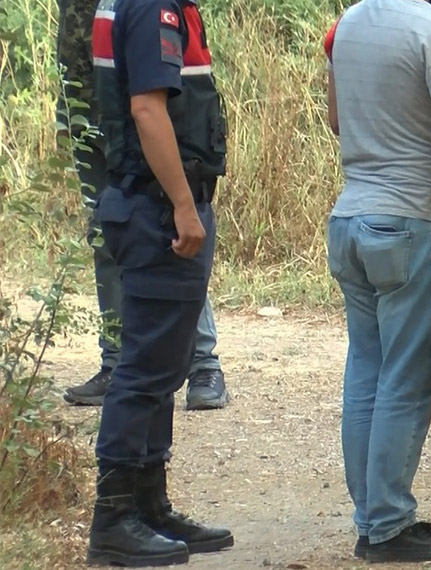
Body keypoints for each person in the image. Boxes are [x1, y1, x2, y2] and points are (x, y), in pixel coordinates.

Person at [321, 0, 431, 563]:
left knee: (366, 370)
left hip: (351, 219)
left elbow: (337, 120)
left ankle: (371, 520)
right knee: (408, 377)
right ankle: (391, 525)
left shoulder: (347, 25)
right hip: (414, 221)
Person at [83, 0, 234, 565]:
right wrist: (181, 204)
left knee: (164, 364)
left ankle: (149, 505)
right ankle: (116, 517)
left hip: (148, 203)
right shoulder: (151, 6)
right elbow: (148, 110)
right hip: (155, 208)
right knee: (145, 367)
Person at [55, 0, 231, 412]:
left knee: (175, 231)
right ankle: (116, 360)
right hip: (88, 108)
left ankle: (202, 363)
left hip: (147, 101)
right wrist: (67, 113)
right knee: (108, 237)